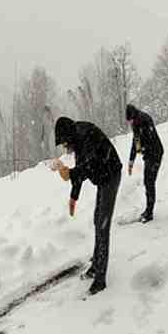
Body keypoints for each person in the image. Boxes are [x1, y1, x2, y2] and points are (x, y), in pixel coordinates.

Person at [54, 116, 122, 295]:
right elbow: (82, 168)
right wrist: (73, 197)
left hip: (111, 175)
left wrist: (70, 173)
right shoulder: (77, 138)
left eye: (64, 142)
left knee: (103, 225)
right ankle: (96, 265)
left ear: (69, 135)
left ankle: (100, 279)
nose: (65, 146)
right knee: (97, 220)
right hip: (102, 177)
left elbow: (88, 166)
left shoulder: (86, 135)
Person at [126, 104, 164, 223]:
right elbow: (135, 141)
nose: (130, 123)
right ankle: (148, 210)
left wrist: (143, 149)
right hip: (148, 155)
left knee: (149, 182)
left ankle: (149, 212)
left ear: (134, 116)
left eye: (131, 120)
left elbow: (150, 140)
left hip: (155, 153)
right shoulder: (135, 124)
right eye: (129, 122)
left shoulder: (145, 120)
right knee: (148, 182)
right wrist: (131, 161)